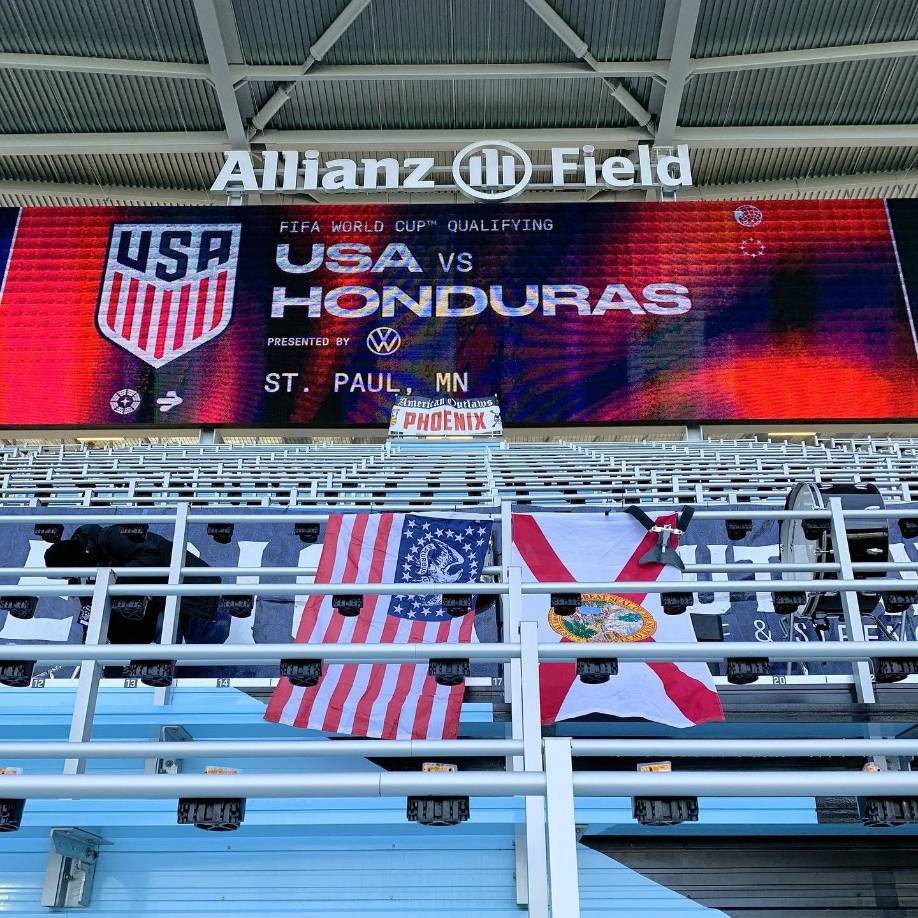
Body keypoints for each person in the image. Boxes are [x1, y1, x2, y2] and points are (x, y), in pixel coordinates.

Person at [44, 524, 230, 647]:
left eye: (71, 572)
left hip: (197, 595)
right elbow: (91, 615)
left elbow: (152, 556)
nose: (73, 577)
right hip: (169, 602)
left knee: (201, 664)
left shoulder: (110, 536)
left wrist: (117, 580)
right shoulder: (85, 576)